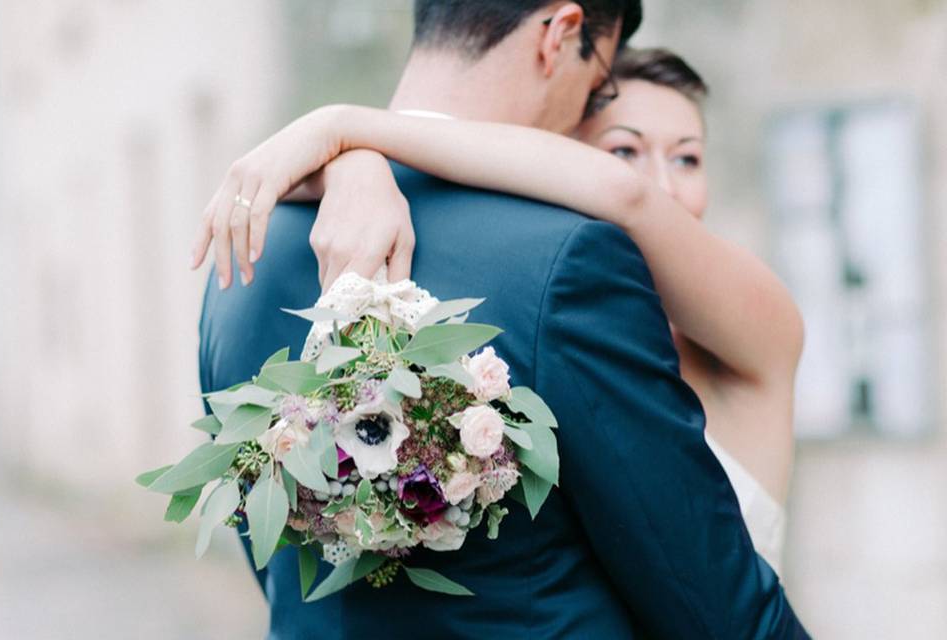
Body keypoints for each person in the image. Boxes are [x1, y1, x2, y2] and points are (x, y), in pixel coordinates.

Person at [194, 2, 809, 638]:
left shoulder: (244, 257)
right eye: (617, 138)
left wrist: (346, 134)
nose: (664, 185)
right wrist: (350, 145)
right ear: (560, 37)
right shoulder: (567, 264)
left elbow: (270, 551)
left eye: (687, 156)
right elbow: (713, 603)